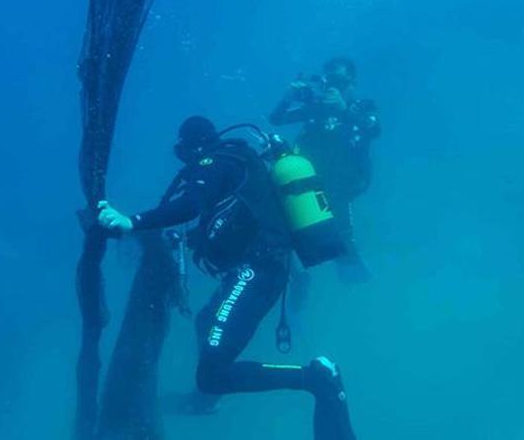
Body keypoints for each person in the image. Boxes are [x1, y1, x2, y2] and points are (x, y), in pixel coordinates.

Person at [97, 116, 357, 440]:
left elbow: (189, 205)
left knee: (211, 375)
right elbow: (237, 223)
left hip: (255, 273)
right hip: (261, 270)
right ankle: (209, 399)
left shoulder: (215, 162)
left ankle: (316, 378)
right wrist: (184, 239)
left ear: (192, 147)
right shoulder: (239, 163)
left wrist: (132, 221)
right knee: (205, 321)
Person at [270, 57, 380, 283]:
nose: (333, 86)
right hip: (311, 178)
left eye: (339, 81)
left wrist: (345, 110)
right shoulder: (316, 108)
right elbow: (276, 119)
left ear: (352, 82)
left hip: (345, 181)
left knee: (342, 235)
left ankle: (358, 281)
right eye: (328, 80)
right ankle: (297, 278)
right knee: (289, 223)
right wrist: (287, 98)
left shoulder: (363, 108)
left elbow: (373, 129)